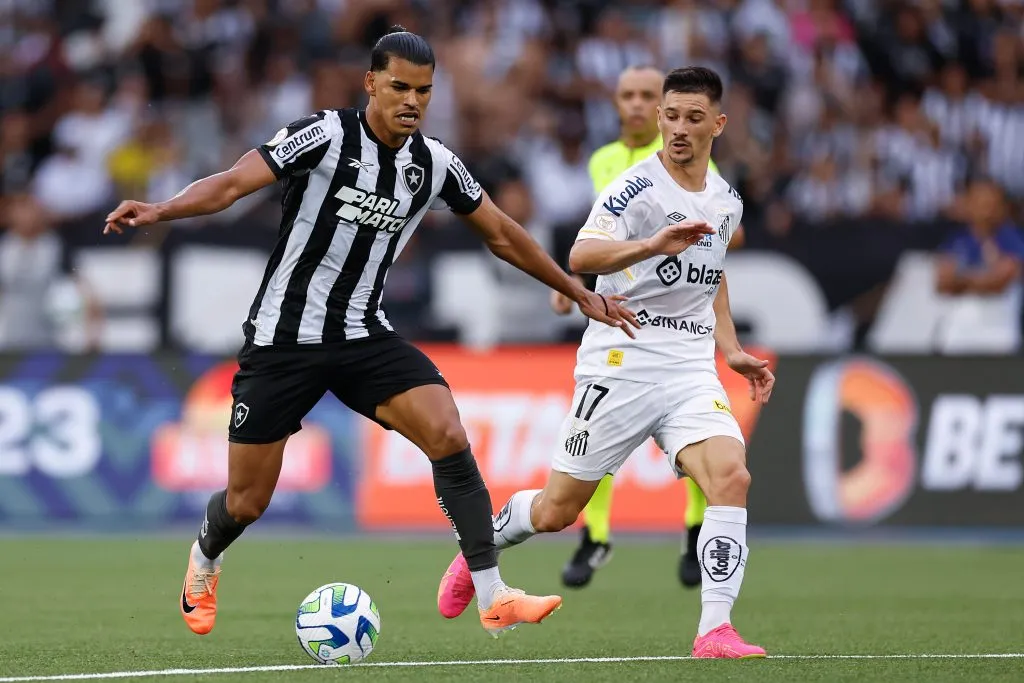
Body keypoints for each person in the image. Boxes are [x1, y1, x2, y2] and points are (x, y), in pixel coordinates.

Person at [103, 26, 638, 639]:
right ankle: (204, 556)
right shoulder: (324, 136)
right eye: (400, 87)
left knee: (445, 429)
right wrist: (161, 208)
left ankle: (493, 593)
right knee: (247, 502)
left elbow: (501, 232)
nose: (412, 101)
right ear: (371, 84)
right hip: (284, 341)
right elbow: (229, 184)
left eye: (425, 92)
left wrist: (577, 290)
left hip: (362, 335)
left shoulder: (433, 164)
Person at [437, 67, 773, 659]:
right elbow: (581, 253)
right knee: (557, 510)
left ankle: (714, 631)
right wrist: (649, 245)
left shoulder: (726, 200)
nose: (678, 128)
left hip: (690, 369)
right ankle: (478, 549)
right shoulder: (636, 188)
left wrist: (732, 349)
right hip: (621, 363)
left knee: (732, 477)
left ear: (718, 125)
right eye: (672, 116)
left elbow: (712, 274)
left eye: (694, 118)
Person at [549, 65, 725, 590]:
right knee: (592, 448)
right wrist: (572, 281)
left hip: (681, 322)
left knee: (708, 439)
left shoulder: (699, 168)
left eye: (647, 95)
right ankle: (596, 534)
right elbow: (598, 230)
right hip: (620, 323)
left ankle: (696, 531)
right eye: (628, 95)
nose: (636, 105)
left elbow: (718, 238)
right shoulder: (607, 163)